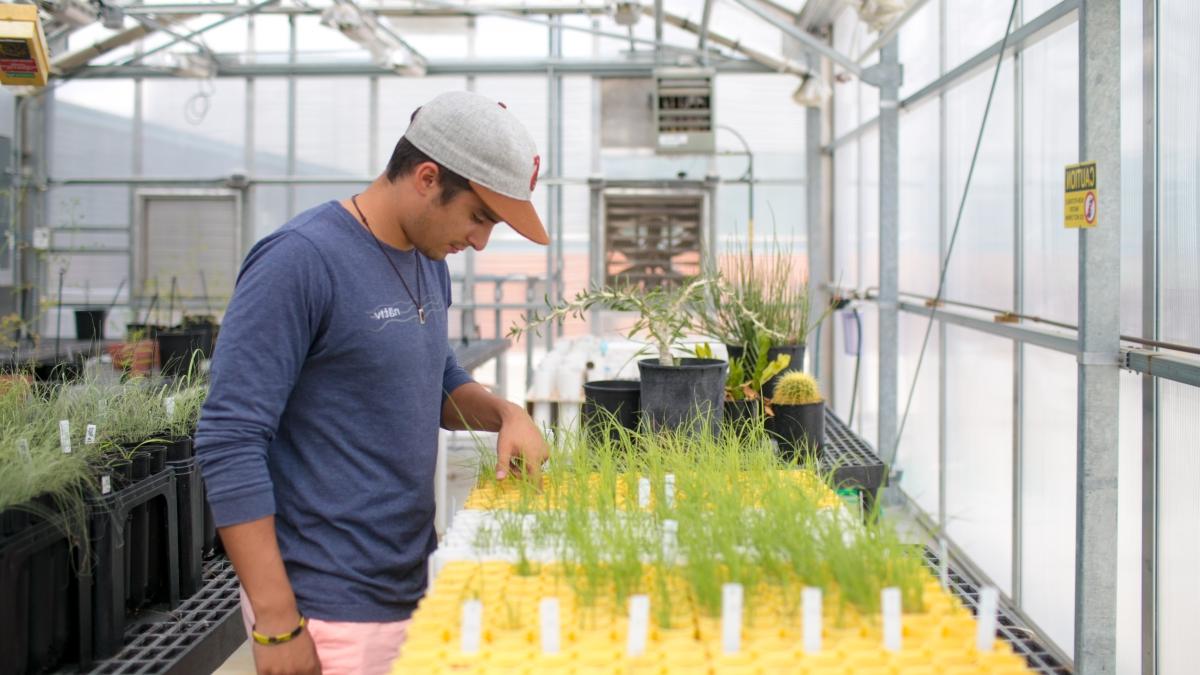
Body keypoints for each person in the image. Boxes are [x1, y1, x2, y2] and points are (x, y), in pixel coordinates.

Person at [195, 91, 551, 675]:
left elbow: (437, 381)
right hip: (329, 611)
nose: (481, 241)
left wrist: (507, 415)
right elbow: (229, 439)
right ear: (428, 178)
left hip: (411, 586)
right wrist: (278, 623)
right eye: (480, 216)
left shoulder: (427, 258)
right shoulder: (300, 260)